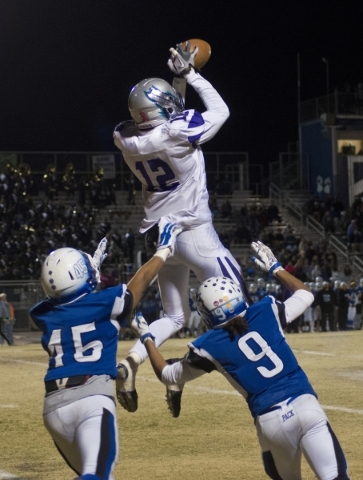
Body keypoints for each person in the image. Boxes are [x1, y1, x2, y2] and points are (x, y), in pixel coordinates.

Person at [132, 241, 350, 480]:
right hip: (305, 405)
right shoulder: (265, 310)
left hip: (270, 420)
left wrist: (147, 338)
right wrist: (276, 268)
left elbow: (168, 374)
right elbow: (305, 295)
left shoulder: (209, 345)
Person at [113, 43, 250, 414]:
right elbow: (220, 111)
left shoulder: (125, 137)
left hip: (161, 237)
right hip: (194, 231)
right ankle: (184, 376)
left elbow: (170, 113)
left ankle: (131, 362)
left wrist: (176, 81)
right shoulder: (176, 133)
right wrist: (190, 74)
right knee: (242, 310)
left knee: (174, 316)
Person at [29, 218, 181, 480]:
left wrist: (84, 277)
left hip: (53, 408)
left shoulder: (43, 314)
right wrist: (163, 251)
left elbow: (65, 300)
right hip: (90, 401)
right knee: (97, 476)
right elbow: (141, 281)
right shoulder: (104, 302)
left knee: (97, 475)